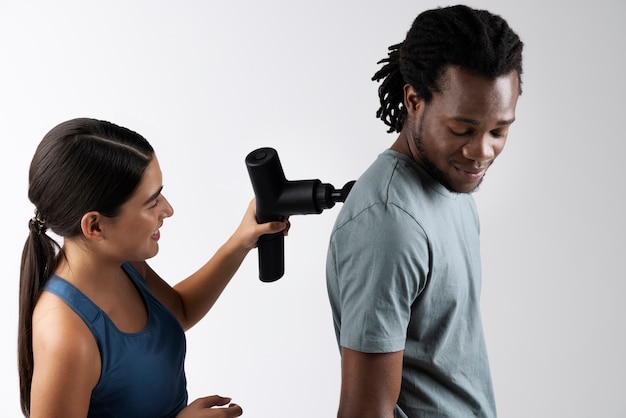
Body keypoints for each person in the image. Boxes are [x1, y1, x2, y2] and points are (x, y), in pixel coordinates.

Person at [325, 5, 524, 418]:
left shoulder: (451, 184)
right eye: (462, 130)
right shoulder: (389, 225)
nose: (481, 152)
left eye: (499, 130)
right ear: (414, 99)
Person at [18, 118, 289, 418]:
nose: (168, 209)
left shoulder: (126, 264)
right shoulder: (65, 335)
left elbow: (180, 310)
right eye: (151, 202)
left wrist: (241, 240)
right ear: (95, 225)